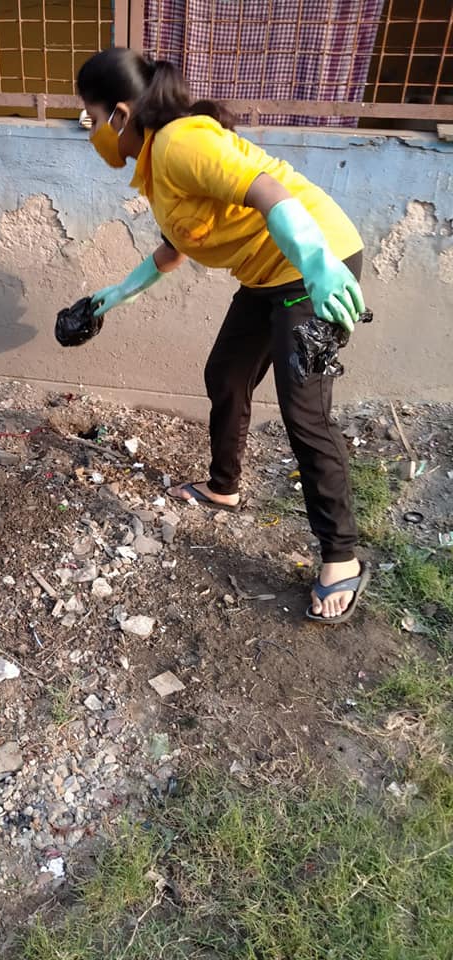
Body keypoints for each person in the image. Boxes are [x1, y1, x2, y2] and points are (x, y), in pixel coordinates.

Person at [76, 47, 371, 625]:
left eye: (90, 117)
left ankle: (342, 556)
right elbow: (171, 252)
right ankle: (223, 488)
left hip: (314, 263)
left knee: (303, 410)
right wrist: (111, 296)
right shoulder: (157, 168)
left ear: (119, 114)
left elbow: (268, 192)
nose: (88, 130)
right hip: (266, 275)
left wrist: (316, 261)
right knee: (227, 374)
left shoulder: (182, 142)